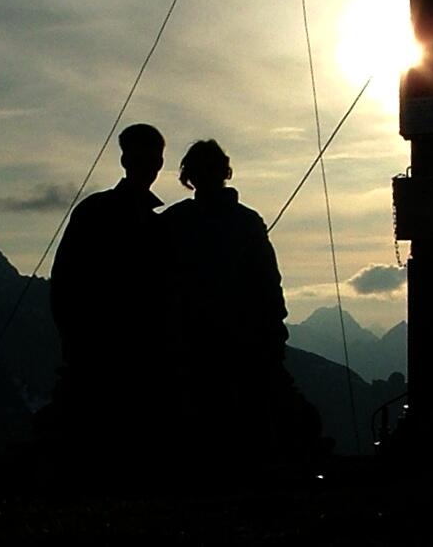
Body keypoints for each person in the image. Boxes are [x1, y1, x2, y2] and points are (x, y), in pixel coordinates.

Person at [161, 139, 321, 477]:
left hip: (196, 340)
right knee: (254, 414)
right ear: (225, 173)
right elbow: (269, 282)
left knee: (205, 416)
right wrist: (273, 331)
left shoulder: (174, 222)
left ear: (188, 176)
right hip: (240, 337)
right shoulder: (245, 221)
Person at [45, 123, 166, 467]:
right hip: (105, 357)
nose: (151, 165)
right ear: (128, 160)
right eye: (147, 157)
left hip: (126, 357)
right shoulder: (113, 217)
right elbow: (66, 283)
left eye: (153, 158)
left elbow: (63, 283)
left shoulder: (149, 223)